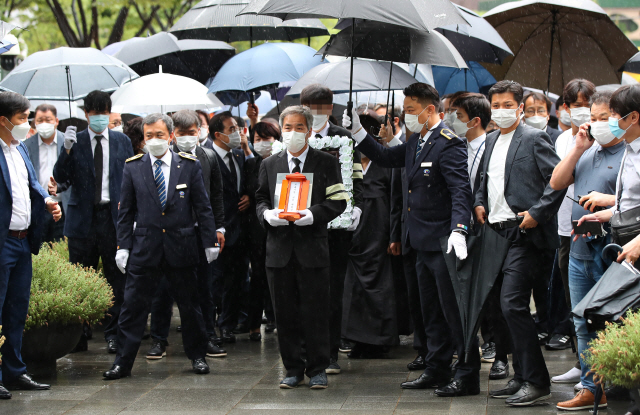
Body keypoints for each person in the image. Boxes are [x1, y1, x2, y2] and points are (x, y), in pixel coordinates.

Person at [344, 82, 479, 397]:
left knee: (453, 313)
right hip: (419, 241)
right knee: (429, 312)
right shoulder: (418, 141)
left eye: (411, 110)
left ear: (430, 110)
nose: (406, 116)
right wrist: (358, 134)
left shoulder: (449, 143)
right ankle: (437, 368)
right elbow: (386, 156)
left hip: (445, 242)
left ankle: (467, 375)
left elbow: (461, 190)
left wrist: (460, 227)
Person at [104, 113, 219, 379]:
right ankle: (122, 362)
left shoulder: (188, 165)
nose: (154, 140)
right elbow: (126, 212)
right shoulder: (133, 166)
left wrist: (209, 241)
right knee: (132, 308)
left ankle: (198, 356)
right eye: (148, 136)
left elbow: (202, 207)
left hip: (182, 247)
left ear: (170, 135)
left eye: (159, 135)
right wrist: (123, 246)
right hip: (145, 249)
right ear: (143, 139)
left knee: (190, 307)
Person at [474, 80, 564, 406]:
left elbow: (558, 180)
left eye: (506, 105)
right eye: (495, 105)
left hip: (525, 234)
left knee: (513, 303)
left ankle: (537, 380)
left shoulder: (534, 137)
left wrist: (537, 213)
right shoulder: (489, 139)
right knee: (502, 305)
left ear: (520, 107)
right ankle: (521, 375)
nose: (500, 111)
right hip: (495, 233)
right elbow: (486, 179)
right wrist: (479, 202)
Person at [255, 105, 347, 389]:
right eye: (288, 128)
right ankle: (292, 368)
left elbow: (339, 200)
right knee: (285, 313)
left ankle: (317, 368)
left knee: (315, 311)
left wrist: (314, 214)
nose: (293, 133)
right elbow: (260, 199)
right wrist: (267, 215)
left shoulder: (326, 163)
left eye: (299, 127)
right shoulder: (270, 164)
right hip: (279, 251)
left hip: (313, 250)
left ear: (309, 130)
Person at [550, 90, 623, 411]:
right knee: (581, 319)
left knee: (613, 319)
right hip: (580, 246)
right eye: (592, 118)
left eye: (604, 118)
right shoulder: (586, 151)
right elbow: (556, 182)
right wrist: (578, 148)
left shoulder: (630, 154)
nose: (596, 124)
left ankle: (618, 387)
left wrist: (609, 202)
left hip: (613, 249)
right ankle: (592, 387)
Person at [53, 90, 133, 354]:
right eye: (94, 112)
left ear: (109, 113)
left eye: (104, 112)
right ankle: (80, 334)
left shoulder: (121, 141)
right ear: (86, 114)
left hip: (113, 216)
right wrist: (65, 150)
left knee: (116, 277)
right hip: (82, 218)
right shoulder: (75, 141)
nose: (99, 117)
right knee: (80, 277)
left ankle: (113, 333)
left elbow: (130, 176)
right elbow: (61, 177)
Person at [147, 110, 227, 360]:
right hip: (167, 234)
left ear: (199, 133)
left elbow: (216, 196)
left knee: (204, 289)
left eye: (192, 133)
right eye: (182, 134)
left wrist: (219, 228)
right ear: (173, 136)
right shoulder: (160, 158)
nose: (187, 138)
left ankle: (207, 336)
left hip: (198, 233)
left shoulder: (208, 157)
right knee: (162, 291)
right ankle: (159, 340)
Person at [0, 91, 61, 399]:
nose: (27, 125)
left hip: (24, 242)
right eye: (22, 119)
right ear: (3, 120)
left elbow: (32, 185)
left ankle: (14, 371)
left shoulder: (19, 147)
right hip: (3, 243)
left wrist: (48, 200)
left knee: (16, 310)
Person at [299, 83, 364, 372]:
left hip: (336, 227)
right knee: (304, 289)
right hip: (302, 225)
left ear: (330, 108)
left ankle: (331, 353)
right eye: (311, 107)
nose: (316, 113)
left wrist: (357, 206)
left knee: (333, 290)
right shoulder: (296, 135)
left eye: (322, 106)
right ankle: (304, 351)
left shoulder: (343, 138)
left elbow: (357, 178)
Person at [548, 79, 597, 383]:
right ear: (564, 108)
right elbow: (557, 182)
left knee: (596, 302)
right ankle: (583, 365)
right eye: (574, 104)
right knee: (574, 301)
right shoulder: (562, 140)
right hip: (565, 229)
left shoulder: (602, 139)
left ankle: (598, 371)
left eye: (586, 104)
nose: (581, 111)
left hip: (594, 230)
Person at [342, 112, 399, 357]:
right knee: (354, 288)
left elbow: (397, 201)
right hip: (355, 235)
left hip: (380, 233)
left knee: (381, 287)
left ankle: (381, 339)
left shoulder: (387, 164)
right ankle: (356, 338)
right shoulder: (345, 164)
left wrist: (394, 235)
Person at [209, 111, 252, 343]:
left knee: (236, 280)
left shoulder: (238, 154)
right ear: (218, 134)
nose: (237, 133)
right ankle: (213, 324)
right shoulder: (206, 157)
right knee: (216, 281)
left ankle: (228, 323)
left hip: (240, 230)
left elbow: (247, 183)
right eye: (231, 129)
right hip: (218, 229)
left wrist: (248, 196)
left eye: (237, 127)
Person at [245, 121, 280, 341]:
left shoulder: (283, 162)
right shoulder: (251, 164)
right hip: (257, 227)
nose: (261, 143)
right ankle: (254, 323)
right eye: (257, 139)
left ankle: (278, 318)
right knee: (257, 276)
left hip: (280, 225)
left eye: (266, 138)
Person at [23, 103, 70, 243]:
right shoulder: (26, 145)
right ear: (34, 123)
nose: (44, 124)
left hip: (63, 206)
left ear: (56, 121)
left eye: (48, 120)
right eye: (39, 120)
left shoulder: (68, 143)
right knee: (39, 247)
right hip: (39, 207)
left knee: (62, 248)